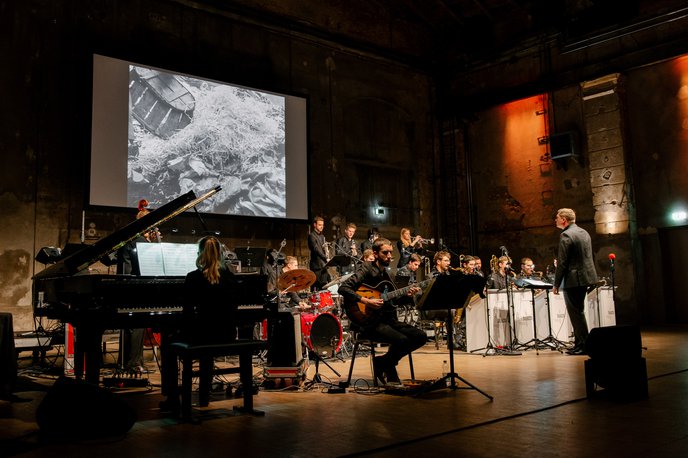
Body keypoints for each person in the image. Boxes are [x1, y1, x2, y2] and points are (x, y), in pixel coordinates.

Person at [338, 238, 426, 384]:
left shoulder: (389, 275)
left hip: (387, 320)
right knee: (401, 340)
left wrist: (407, 296)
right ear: (376, 253)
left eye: (391, 252)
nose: (389, 256)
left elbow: (392, 301)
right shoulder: (366, 268)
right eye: (385, 252)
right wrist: (366, 301)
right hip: (368, 322)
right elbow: (344, 288)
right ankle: (389, 368)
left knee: (420, 336)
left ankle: (383, 362)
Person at [553, 208, 598, 355]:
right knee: (579, 311)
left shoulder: (566, 235)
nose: (555, 220)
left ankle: (585, 345)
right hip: (586, 277)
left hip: (574, 279)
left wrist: (556, 283)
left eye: (557, 218)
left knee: (576, 314)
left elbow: (562, 263)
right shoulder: (584, 232)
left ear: (564, 220)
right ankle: (579, 344)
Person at [308, 216, 330, 290]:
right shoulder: (312, 236)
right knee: (315, 288)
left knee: (324, 287)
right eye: (319, 225)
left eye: (322, 225)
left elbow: (324, 250)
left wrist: (327, 252)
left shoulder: (322, 236)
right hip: (316, 266)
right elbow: (316, 249)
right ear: (315, 225)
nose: (321, 227)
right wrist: (326, 257)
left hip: (323, 266)